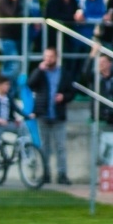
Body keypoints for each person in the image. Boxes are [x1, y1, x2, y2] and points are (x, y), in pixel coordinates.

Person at [27, 47, 75, 185]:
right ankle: (45, 174)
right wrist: (38, 70)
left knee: (60, 147)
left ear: (56, 57)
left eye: (51, 56)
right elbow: (30, 85)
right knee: (45, 147)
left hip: (58, 116)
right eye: (46, 56)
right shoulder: (40, 73)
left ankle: (62, 175)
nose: (48, 59)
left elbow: (72, 93)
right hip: (43, 114)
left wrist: (63, 97)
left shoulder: (64, 73)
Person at [0, 76, 33, 187]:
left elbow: (15, 109)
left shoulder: (8, 97)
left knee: (23, 127)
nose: (8, 87)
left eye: (9, 85)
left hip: (7, 123)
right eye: (6, 84)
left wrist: (25, 116)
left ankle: (25, 150)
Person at [0, 0, 23, 90]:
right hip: (6, 36)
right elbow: (11, 13)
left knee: (15, 65)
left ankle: (12, 91)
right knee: (12, 65)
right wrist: (16, 0)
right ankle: (5, 90)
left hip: (17, 36)